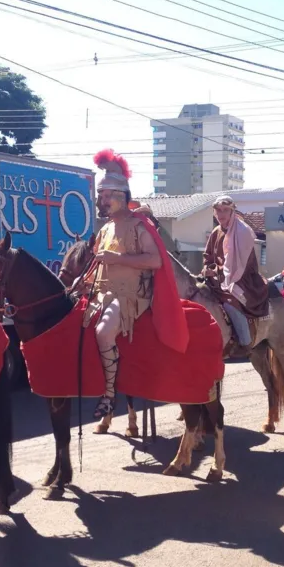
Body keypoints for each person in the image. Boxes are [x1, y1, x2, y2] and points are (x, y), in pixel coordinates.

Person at [84, 149, 188, 418]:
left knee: (104, 332)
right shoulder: (105, 229)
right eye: (101, 195)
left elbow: (155, 260)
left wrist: (118, 257)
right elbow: (100, 262)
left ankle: (109, 396)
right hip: (102, 291)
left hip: (131, 297)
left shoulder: (138, 226)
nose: (102, 201)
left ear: (121, 197)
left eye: (107, 196)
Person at [202, 195, 270, 354]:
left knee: (229, 302)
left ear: (232, 211)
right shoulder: (216, 232)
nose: (221, 214)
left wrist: (217, 271)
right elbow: (208, 256)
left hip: (242, 279)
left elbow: (241, 266)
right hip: (217, 279)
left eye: (225, 210)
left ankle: (245, 342)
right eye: (218, 210)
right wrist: (207, 268)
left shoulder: (243, 231)